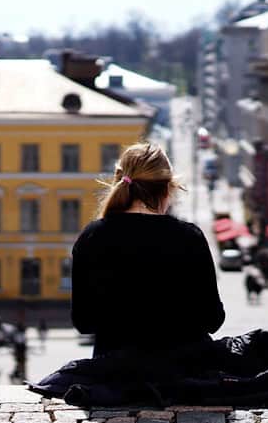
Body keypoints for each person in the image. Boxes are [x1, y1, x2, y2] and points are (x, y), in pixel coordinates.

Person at [70, 142, 225, 357]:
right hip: (183, 377)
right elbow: (212, 320)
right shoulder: (189, 238)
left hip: (116, 378)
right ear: (167, 189)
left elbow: (84, 323)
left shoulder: (92, 237)